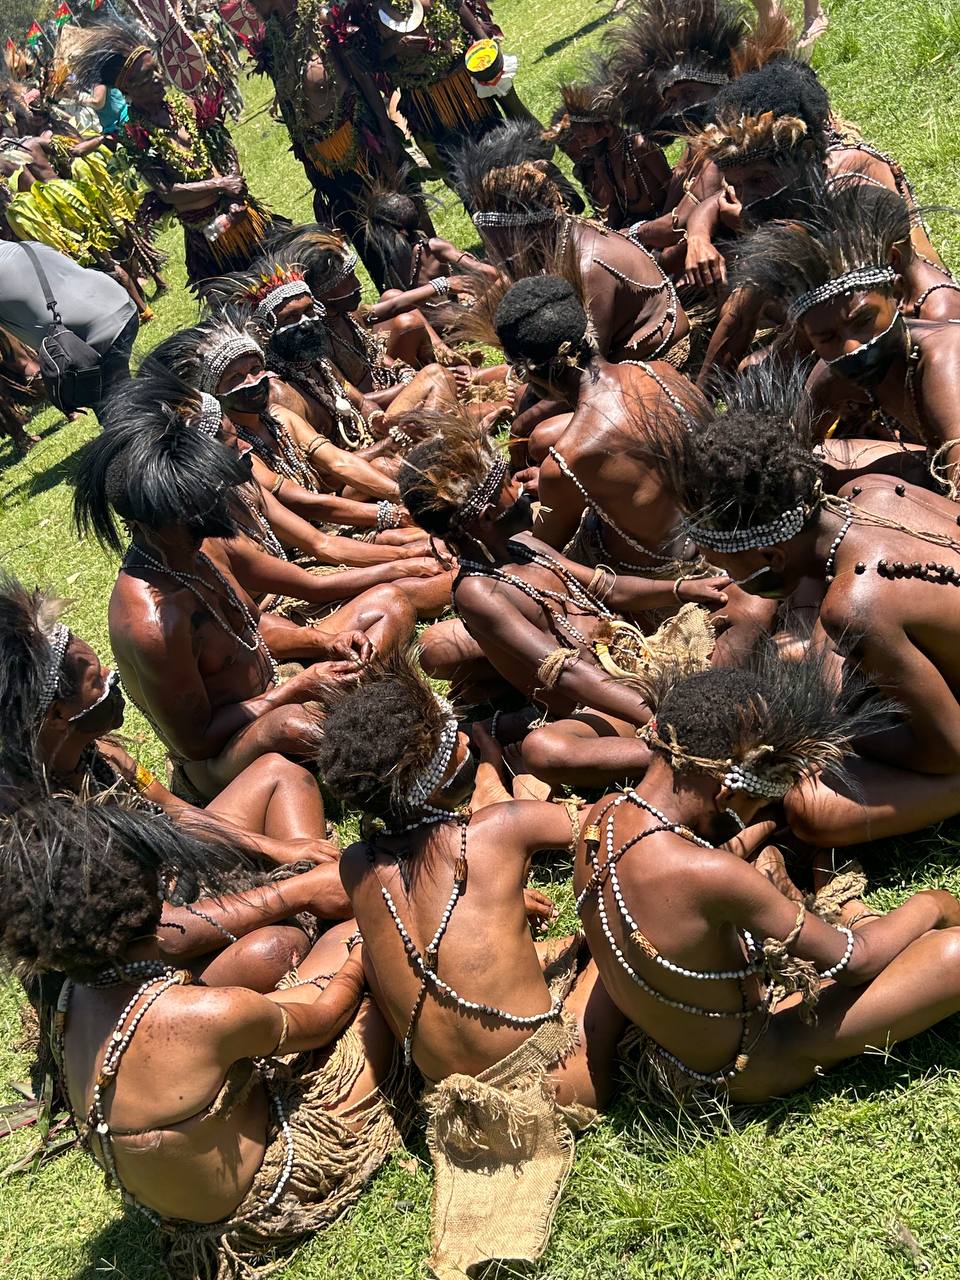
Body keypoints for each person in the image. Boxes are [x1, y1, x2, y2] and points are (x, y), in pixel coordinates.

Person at [0, 797, 405, 1276]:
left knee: (309, 977)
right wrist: (359, 958)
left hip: (183, 1212)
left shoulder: (71, 1001)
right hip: (266, 1193)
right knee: (371, 939)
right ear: (145, 899)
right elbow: (324, 1017)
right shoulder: (201, 1015)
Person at [323, 651, 625, 1278]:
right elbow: (608, 826)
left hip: (447, 1099)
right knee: (616, 931)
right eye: (448, 733)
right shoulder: (495, 830)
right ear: (435, 767)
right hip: (552, 1083)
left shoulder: (356, 865)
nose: (459, 735)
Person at [573, 646, 960, 1105]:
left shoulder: (603, 818)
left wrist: (763, 831)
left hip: (680, 1050)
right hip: (756, 1062)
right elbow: (856, 964)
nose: (752, 816)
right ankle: (871, 915)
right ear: (724, 791)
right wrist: (933, 903)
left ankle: (858, 913)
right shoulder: (710, 874)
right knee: (953, 954)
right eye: (757, 803)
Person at [653, 359, 960, 847]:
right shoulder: (868, 492)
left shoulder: (854, 606)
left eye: (731, 569)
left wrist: (836, 728)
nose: (733, 582)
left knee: (811, 810)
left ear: (771, 554)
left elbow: (947, 751)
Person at [72, 382, 417, 803]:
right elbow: (196, 742)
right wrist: (297, 687)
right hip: (222, 756)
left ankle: (350, 710)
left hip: (277, 682)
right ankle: (364, 739)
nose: (213, 513)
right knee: (292, 724)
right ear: (150, 520)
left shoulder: (200, 544)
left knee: (390, 603)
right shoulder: (151, 624)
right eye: (195, 509)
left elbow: (252, 626)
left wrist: (326, 643)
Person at [398, 411, 729, 787]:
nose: (523, 490)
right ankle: (683, 748)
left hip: (647, 654)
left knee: (736, 599)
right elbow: (566, 671)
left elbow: (607, 587)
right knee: (545, 748)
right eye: (508, 486)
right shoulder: (476, 592)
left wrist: (680, 590)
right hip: (606, 704)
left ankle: (693, 723)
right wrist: (654, 712)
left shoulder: (522, 545)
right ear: (488, 515)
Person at [734, 183, 960, 493]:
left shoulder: (943, 357)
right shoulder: (834, 375)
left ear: (894, 294)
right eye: (827, 337)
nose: (852, 347)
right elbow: (792, 450)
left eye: (863, 321)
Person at [66, 20, 286, 293]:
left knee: (284, 278)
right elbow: (167, 192)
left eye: (156, 70)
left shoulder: (186, 106)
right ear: (128, 91)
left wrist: (234, 189)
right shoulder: (135, 136)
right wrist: (221, 185)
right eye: (147, 78)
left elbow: (222, 142)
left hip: (243, 213)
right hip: (209, 239)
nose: (158, 79)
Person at [452, 121, 689, 364]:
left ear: (533, 232)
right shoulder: (561, 240)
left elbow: (585, 364)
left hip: (652, 362)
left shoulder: (588, 266)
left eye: (508, 251)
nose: (503, 261)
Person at [248, 0, 415, 290]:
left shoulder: (323, 20)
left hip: (360, 144)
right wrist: (311, 166)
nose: (250, 5)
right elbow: (289, 109)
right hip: (324, 160)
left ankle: (428, 280)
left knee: (392, 216)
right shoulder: (272, 43)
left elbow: (361, 77)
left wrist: (386, 130)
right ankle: (395, 295)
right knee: (361, 234)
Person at [0, 238, 138, 416]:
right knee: (115, 393)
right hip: (119, 304)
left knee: (115, 410)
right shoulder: (24, 246)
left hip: (93, 338)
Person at [546, 82, 671, 232]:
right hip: (635, 226)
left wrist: (662, 223)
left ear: (607, 129)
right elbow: (615, 208)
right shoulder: (602, 163)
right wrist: (607, 232)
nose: (583, 148)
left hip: (665, 217)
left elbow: (672, 188)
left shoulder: (641, 147)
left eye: (584, 139)